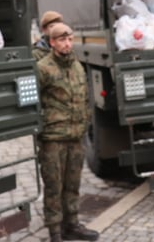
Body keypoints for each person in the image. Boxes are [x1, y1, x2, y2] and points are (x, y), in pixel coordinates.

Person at [36, 22, 99, 242]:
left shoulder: (77, 66)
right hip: (53, 139)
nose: (67, 44)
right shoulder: (43, 68)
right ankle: (55, 232)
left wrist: (85, 123)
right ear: (52, 42)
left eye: (70, 39)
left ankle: (72, 225)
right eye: (62, 40)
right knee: (54, 187)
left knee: (72, 185)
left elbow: (84, 96)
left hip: (75, 137)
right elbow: (33, 103)